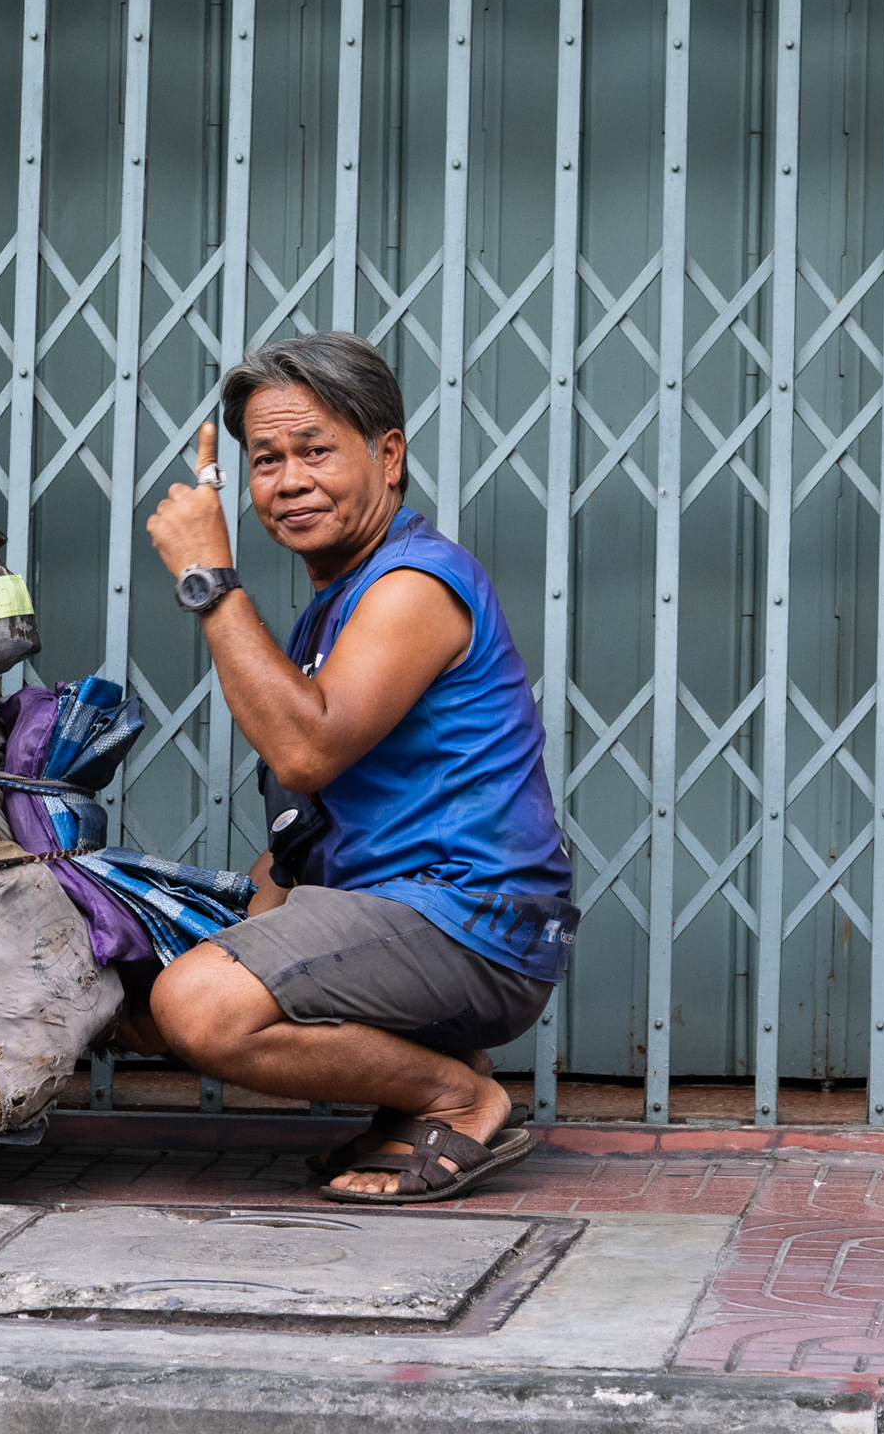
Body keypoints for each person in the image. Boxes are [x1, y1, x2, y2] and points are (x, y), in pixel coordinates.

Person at [130, 331, 577, 1205]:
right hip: (405, 913)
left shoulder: (413, 587)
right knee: (159, 993)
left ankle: (459, 1097)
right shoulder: (336, 606)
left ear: (388, 455)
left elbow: (305, 749)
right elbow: (310, 821)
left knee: (199, 1006)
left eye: (316, 450)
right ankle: (433, 1076)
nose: (289, 480)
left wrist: (208, 577)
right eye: (266, 459)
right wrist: (226, 931)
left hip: (469, 917)